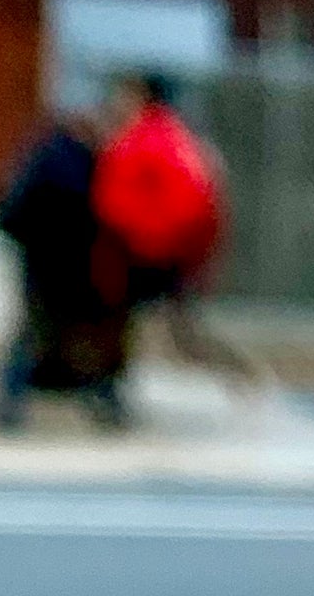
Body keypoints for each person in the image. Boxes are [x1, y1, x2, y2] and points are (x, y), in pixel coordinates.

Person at [0, 104, 130, 433]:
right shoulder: (79, 161)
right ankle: (104, 403)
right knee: (81, 336)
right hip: (68, 265)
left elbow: (10, 212)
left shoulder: (42, 155)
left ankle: (10, 405)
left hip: (42, 262)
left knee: (34, 334)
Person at [90, 72, 234, 373]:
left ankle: (104, 385)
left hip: (143, 249)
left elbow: (116, 196)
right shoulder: (173, 135)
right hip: (165, 250)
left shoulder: (144, 139)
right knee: (177, 330)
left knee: (113, 318)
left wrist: (140, 235)